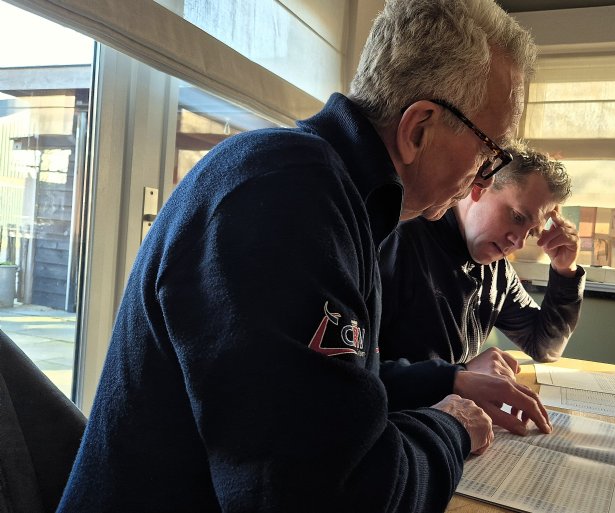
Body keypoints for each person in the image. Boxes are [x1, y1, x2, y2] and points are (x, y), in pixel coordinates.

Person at [58, 1, 539, 512]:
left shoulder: (334, 194)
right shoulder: (286, 197)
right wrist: (450, 429)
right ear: (419, 127)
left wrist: (448, 380)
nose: (484, 178)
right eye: (490, 153)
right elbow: (337, 496)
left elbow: (338, 385)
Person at [378, 142, 584, 425]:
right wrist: (459, 375)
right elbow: (348, 375)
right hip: (395, 435)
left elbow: (544, 346)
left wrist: (565, 271)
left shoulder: (497, 270)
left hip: (456, 427)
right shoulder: (396, 240)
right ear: (480, 184)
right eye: (517, 217)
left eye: (532, 231)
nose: (519, 242)